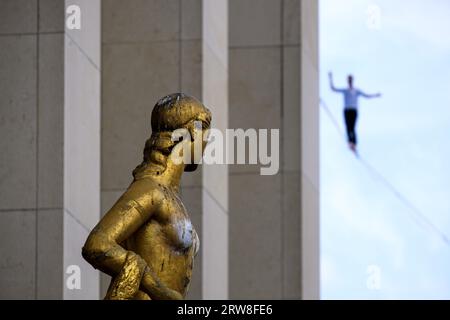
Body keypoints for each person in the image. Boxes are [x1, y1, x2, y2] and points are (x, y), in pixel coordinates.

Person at [82, 93, 211, 300]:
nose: (207, 143)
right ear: (192, 133)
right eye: (205, 132)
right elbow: (97, 244)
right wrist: (157, 289)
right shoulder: (151, 190)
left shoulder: (173, 198)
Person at [329, 72, 381, 152]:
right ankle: (350, 142)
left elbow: (367, 96)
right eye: (348, 80)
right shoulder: (345, 90)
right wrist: (330, 78)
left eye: (350, 80)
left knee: (352, 127)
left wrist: (375, 95)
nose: (350, 81)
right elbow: (333, 89)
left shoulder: (356, 90)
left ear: (352, 81)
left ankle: (354, 143)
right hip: (347, 110)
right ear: (347, 81)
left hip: (354, 110)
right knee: (348, 127)